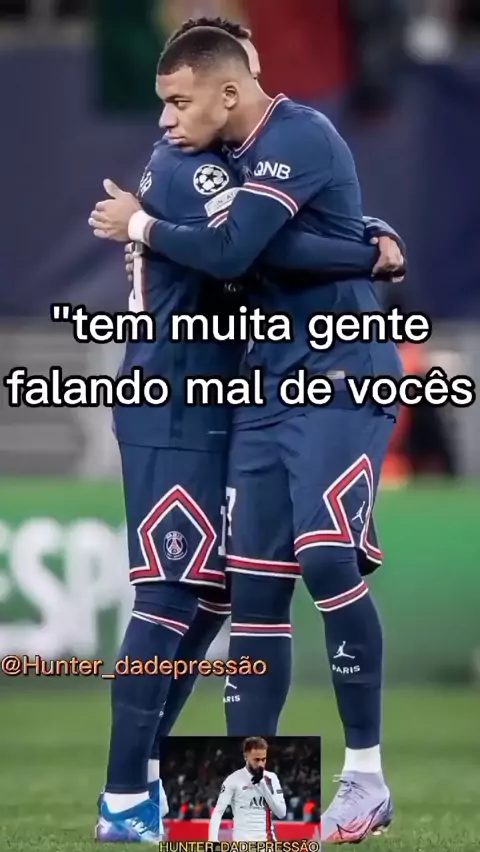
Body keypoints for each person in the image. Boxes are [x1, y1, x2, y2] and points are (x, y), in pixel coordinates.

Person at [89, 24, 405, 845]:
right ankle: (131, 800)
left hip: (296, 378)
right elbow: (243, 248)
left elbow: (265, 236)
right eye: (166, 101)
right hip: (185, 397)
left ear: (232, 86)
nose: (166, 118)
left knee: (252, 585)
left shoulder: (274, 144)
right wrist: (368, 249)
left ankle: (336, 786)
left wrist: (366, 229)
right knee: (184, 598)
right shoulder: (188, 163)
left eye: (177, 100)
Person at [209, 737, 286, 841]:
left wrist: (263, 786)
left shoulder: (271, 779)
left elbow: (281, 813)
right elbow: (218, 812)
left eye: (263, 759)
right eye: (256, 760)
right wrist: (213, 840)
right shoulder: (233, 780)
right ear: (246, 756)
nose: (260, 764)